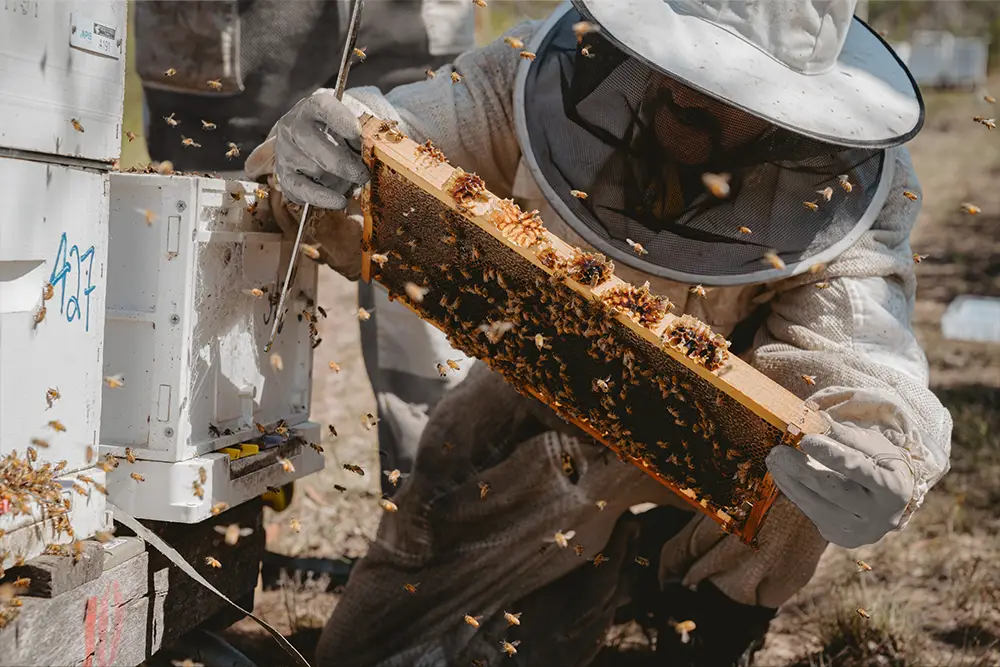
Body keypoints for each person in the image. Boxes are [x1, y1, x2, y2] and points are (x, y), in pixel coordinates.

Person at [245, 1, 954, 665]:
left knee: (813, 459)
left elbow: (862, 360)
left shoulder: (858, 190)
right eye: (681, 59)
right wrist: (330, 141)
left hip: (718, 461)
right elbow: (403, 133)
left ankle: (704, 616)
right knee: (368, 647)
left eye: (730, 85)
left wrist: (887, 454)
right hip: (547, 409)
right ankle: (602, 567)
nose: (689, 91)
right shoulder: (535, 70)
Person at [135, 0, 477, 496]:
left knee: (419, 205)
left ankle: (433, 503)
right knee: (214, 235)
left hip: (405, 22)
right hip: (229, 27)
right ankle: (220, 500)